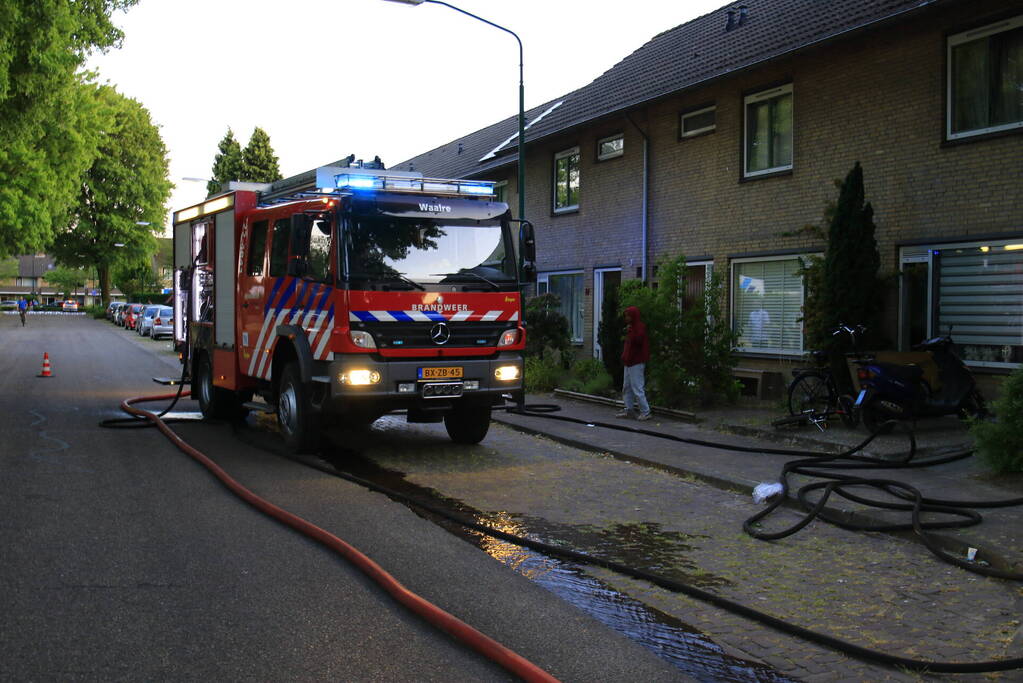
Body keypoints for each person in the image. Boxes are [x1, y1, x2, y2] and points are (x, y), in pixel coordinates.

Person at [616, 305, 651, 421]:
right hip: (629, 361)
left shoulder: (639, 328)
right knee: (627, 387)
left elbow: (638, 341)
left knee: (637, 387)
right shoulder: (631, 328)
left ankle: (645, 412)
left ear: (633, 316)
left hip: (636, 362)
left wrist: (631, 331)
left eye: (628, 316)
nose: (626, 318)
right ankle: (629, 409)